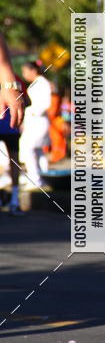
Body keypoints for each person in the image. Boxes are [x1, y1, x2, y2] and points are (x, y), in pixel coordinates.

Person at [0, 34, 26, 213]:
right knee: (13, 160)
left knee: (14, 160)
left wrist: (9, 86)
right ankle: (13, 197)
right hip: (11, 126)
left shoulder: (12, 81)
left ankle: (15, 197)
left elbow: (25, 100)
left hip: (10, 125)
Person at [20, 60, 52, 189]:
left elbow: (45, 104)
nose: (24, 74)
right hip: (34, 120)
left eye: (25, 71)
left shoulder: (42, 83)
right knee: (37, 150)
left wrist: (32, 111)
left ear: (33, 70)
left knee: (30, 149)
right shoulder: (37, 83)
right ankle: (42, 177)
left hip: (38, 120)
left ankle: (36, 179)